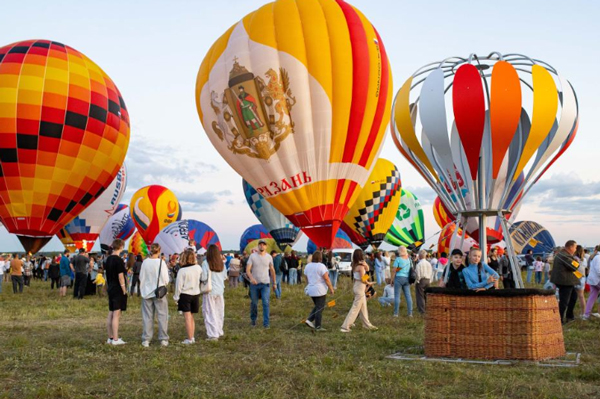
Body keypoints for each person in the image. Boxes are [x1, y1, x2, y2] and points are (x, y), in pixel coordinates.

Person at [139, 243, 170, 347]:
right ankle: (163, 338)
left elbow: (141, 277)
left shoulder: (145, 262)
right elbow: (166, 279)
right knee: (162, 315)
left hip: (146, 291)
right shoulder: (162, 262)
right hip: (159, 292)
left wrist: (143, 288)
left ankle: (146, 339)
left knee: (147, 316)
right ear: (159, 250)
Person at [340, 249, 377, 333]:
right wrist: (369, 281)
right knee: (355, 308)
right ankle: (345, 326)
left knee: (363, 307)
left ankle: (367, 325)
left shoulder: (354, 264)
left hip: (357, 286)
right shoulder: (360, 267)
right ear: (361, 256)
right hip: (360, 286)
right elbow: (363, 279)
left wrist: (366, 268)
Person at [173, 249, 202, 344]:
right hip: (196, 294)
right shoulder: (198, 268)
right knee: (191, 317)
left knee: (187, 317)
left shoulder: (182, 270)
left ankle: (190, 338)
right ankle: (192, 336)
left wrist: (176, 298)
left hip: (185, 295)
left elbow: (178, 286)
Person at [246, 240, 277, 328]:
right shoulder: (252, 256)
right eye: (260, 244)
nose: (262, 246)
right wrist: (251, 278)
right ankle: (253, 320)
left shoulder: (269, 257)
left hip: (265, 283)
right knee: (254, 303)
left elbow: (272, 270)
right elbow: (248, 270)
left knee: (265, 302)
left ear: (266, 247)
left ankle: (266, 323)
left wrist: (274, 283)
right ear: (258, 246)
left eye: (264, 245)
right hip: (254, 284)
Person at [201, 244, 228, 340]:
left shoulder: (206, 263)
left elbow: (203, 277)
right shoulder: (222, 264)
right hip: (220, 290)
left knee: (209, 312)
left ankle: (213, 334)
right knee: (219, 311)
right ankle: (219, 330)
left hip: (210, 290)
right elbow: (225, 277)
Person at [104, 239, 128, 345]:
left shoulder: (108, 259)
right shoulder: (118, 260)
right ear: (121, 246)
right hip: (117, 288)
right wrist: (124, 289)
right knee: (116, 314)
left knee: (111, 312)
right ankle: (116, 339)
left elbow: (106, 275)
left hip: (111, 287)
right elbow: (121, 276)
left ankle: (110, 337)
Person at [304, 251, 335, 331]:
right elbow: (326, 278)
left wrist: (309, 284)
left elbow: (306, 277)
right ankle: (318, 326)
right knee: (320, 308)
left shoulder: (308, 266)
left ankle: (309, 319)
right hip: (320, 290)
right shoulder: (321, 266)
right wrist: (331, 288)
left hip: (311, 289)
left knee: (318, 306)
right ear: (320, 258)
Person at [551, 240, 580, 324]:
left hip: (566, 281)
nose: (575, 249)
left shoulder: (562, 254)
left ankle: (569, 316)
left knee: (573, 298)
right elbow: (574, 267)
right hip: (565, 281)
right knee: (564, 301)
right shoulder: (565, 256)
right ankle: (559, 319)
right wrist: (576, 261)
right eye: (575, 247)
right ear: (570, 247)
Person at [391, 246, 413, 317]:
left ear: (399, 251)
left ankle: (396, 313)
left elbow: (394, 270)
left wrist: (392, 280)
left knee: (397, 296)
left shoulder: (398, 259)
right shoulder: (409, 260)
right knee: (408, 296)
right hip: (407, 279)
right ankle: (410, 313)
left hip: (399, 278)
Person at [583, 245, 600, 320]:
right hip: (597, 279)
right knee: (592, 297)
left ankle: (586, 314)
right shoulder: (598, 258)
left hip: (593, 280)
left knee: (592, 297)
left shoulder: (595, 257)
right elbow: (599, 270)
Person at [414, 250, 433, 314]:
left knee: (420, 296)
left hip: (421, 280)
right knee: (426, 295)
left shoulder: (419, 264)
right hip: (428, 280)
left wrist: (417, 280)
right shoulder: (429, 263)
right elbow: (431, 272)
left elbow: (418, 274)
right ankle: (428, 308)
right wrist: (430, 280)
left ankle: (422, 311)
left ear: (419, 256)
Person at [573, 245, 587, 319]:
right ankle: (583, 313)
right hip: (582, 278)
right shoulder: (584, 259)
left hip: (575, 278)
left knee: (572, 296)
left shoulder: (574, 259)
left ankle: (570, 313)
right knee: (581, 296)